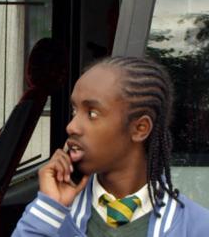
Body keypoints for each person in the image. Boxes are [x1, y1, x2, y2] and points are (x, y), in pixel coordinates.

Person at [12, 56, 209, 236]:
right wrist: (50, 208)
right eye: (74, 110)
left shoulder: (195, 227)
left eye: (92, 114)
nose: (71, 126)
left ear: (140, 128)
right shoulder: (49, 214)